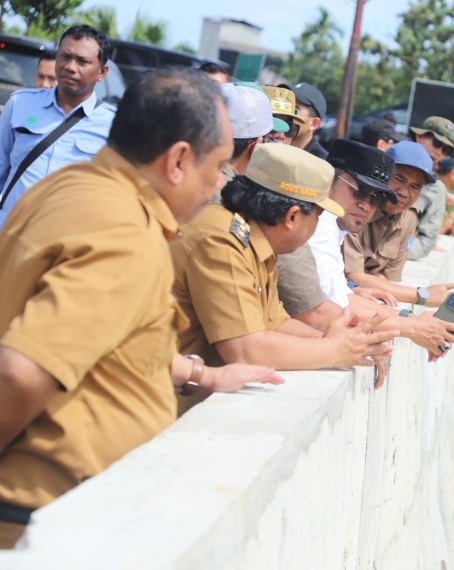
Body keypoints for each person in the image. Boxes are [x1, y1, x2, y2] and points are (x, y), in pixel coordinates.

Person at [0, 68, 281, 549]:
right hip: (48, 516)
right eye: (216, 167)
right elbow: (21, 373)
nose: (218, 184)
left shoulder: (70, 185)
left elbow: (102, 340)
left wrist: (203, 375)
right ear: (177, 161)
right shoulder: (127, 234)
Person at [171, 143, 398, 401]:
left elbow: (277, 323)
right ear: (292, 217)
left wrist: (347, 341)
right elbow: (246, 351)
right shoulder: (222, 240)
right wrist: (334, 349)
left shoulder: (257, 240)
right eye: (318, 215)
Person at [277, 139, 454, 359]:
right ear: (329, 179)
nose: (367, 205)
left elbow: (342, 298)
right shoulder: (321, 223)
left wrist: (410, 320)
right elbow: (316, 313)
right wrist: (411, 326)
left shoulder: (337, 223)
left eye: (377, 198)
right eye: (361, 191)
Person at [0, 25, 116, 229]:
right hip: (8, 237)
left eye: (82, 61)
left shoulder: (112, 126)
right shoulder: (20, 104)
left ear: (102, 72)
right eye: (65, 56)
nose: (70, 66)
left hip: (64, 247)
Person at [343, 141, 454, 307]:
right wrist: (420, 295)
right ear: (382, 174)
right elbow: (353, 277)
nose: (404, 193)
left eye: (415, 186)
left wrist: (369, 282)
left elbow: (386, 277)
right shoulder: (358, 207)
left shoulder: (409, 218)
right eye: (398, 179)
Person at [407, 116, 454, 260]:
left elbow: (426, 241)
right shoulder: (388, 163)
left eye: (446, 150)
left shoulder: (436, 189)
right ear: (419, 136)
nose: (439, 152)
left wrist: (394, 250)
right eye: (437, 143)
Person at [283, 82, 328, 159]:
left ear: (314, 123)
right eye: (285, 106)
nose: (283, 114)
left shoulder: (321, 164)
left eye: (295, 111)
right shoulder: (267, 144)